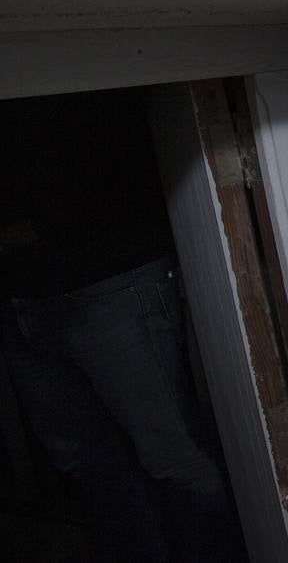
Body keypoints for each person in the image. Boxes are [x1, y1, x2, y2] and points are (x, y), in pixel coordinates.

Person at [0, 88, 246, 560]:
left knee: (173, 456)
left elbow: (115, 173)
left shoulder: (69, 70)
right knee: (90, 464)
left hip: (110, 279)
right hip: (24, 295)